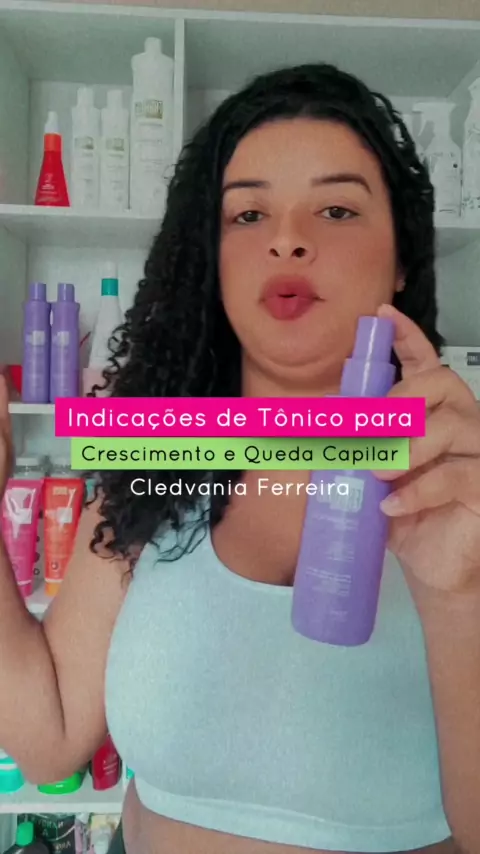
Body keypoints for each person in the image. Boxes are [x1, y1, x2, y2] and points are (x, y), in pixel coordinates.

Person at [1, 62, 480, 854]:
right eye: (249, 213)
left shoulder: (461, 486)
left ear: (402, 258)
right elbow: (48, 740)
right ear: (211, 258)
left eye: (336, 208)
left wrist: (462, 598)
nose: (288, 238)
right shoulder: (154, 461)